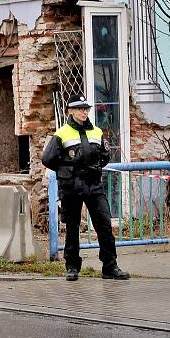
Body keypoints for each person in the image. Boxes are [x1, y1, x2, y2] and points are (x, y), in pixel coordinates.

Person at [41, 94, 129, 281]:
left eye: (86, 108)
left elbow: (105, 156)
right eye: (80, 108)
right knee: (72, 227)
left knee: (104, 225)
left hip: (93, 184)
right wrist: (67, 169)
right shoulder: (62, 133)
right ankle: (72, 266)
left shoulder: (96, 132)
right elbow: (47, 159)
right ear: (70, 111)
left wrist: (93, 168)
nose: (84, 112)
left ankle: (110, 266)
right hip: (72, 186)